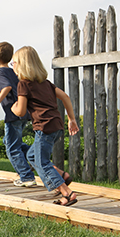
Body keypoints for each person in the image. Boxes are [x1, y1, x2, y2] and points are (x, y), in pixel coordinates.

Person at [11, 46, 80, 206]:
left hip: (43, 127)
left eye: (14, 63)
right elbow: (65, 96)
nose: (12, 66)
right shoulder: (46, 83)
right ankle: (62, 176)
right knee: (32, 156)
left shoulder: (23, 84)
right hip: (56, 125)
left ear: (22, 65)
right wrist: (72, 119)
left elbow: (21, 112)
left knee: (42, 162)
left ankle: (67, 194)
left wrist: (13, 107)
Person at [0, 42, 37, 187]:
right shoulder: (14, 71)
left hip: (14, 113)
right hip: (24, 112)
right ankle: (33, 157)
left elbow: (6, 87)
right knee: (9, 141)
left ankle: (27, 176)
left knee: (12, 148)